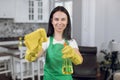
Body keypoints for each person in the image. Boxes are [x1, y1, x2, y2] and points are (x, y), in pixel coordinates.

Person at [24, 6, 83, 80]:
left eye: (63, 19)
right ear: (52, 21)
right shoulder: (46, 40)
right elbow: (35, 58)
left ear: (67, 21)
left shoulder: (71, 42)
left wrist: (73, 54)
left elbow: (80, 60)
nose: (59, 22)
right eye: (56, 19)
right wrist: (32, 52)